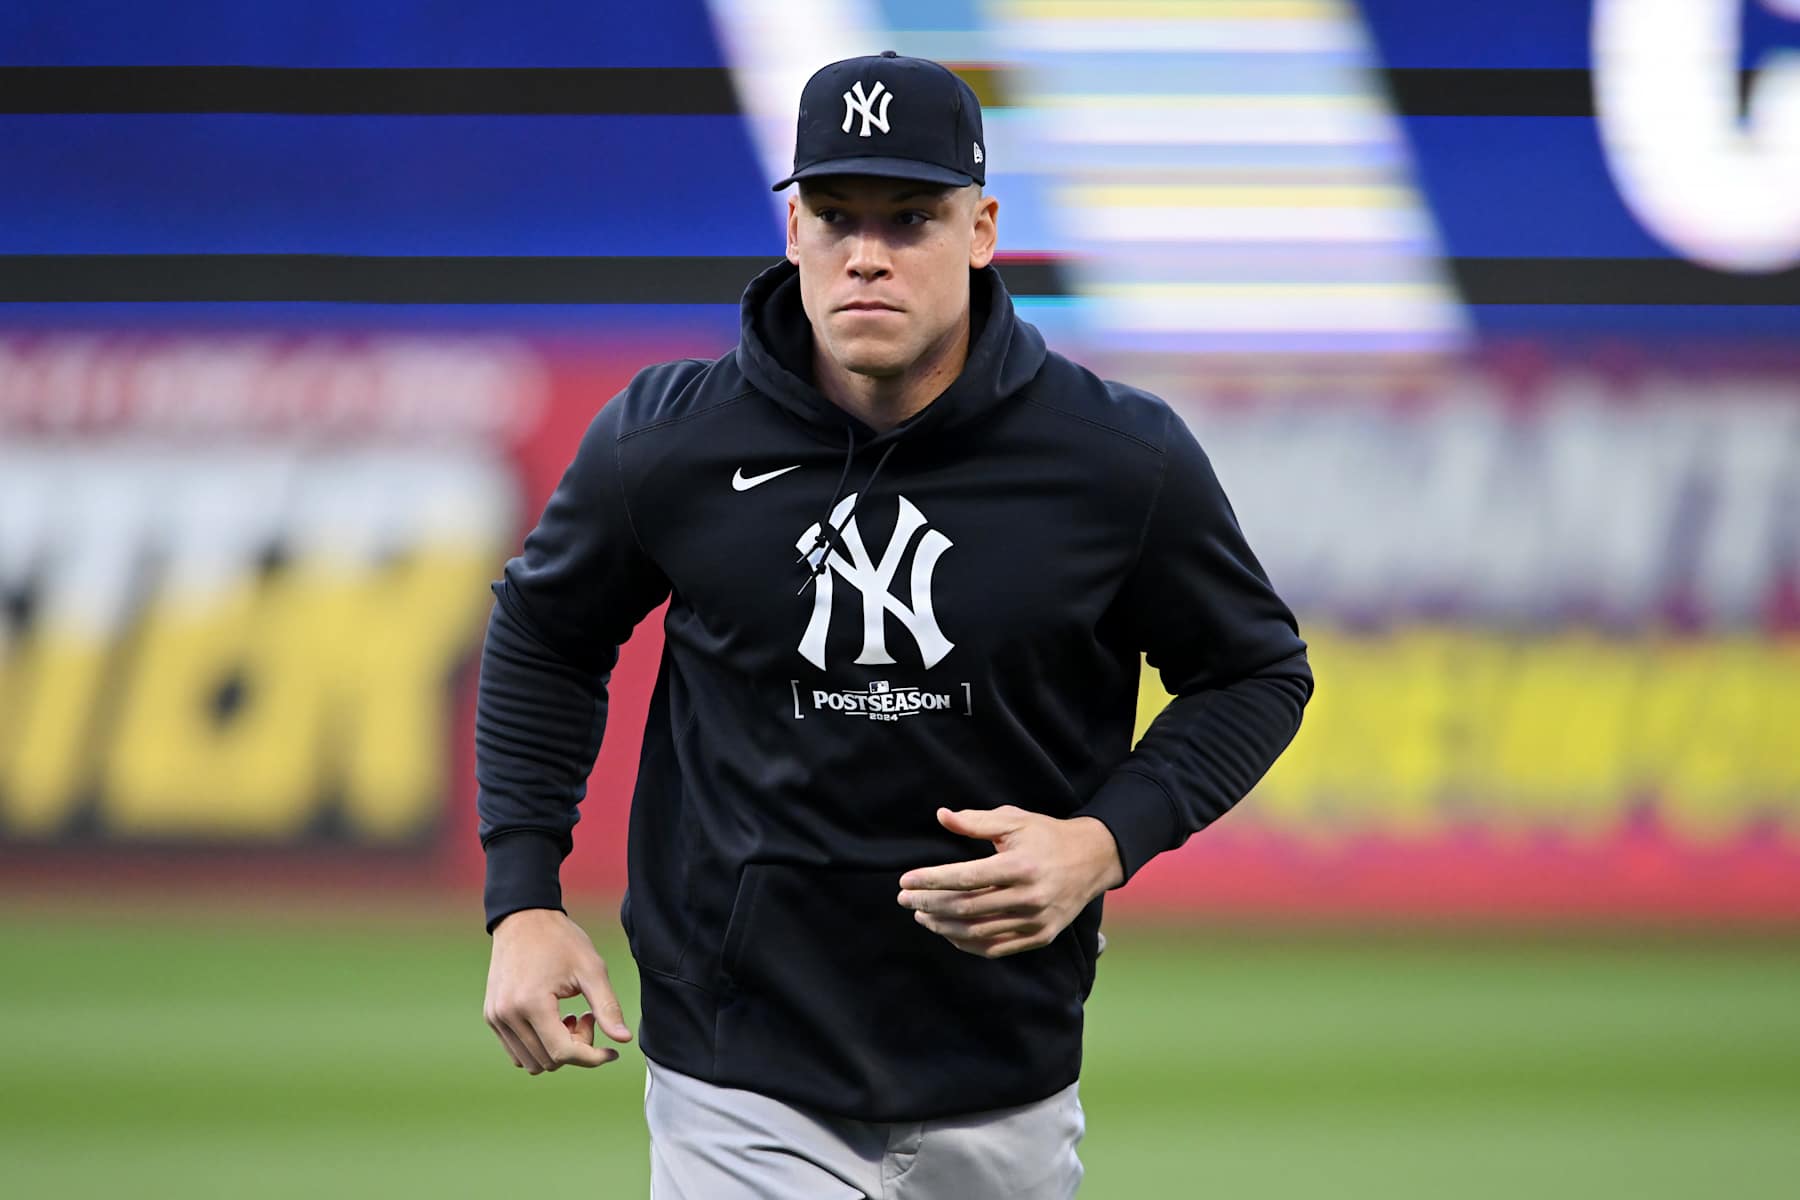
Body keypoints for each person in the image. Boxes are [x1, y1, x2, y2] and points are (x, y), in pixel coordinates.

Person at [476, 50, 1312, 1199]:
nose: (865, 254)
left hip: (1005, 1071)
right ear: (791, 230)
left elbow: (1255, 672)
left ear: (982, 229)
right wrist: (523, 897)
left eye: (910, 218)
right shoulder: (668, 440)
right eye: (834, 215)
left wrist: (1102, 842)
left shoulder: (1116, 460)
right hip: (741, 1077)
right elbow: (545, 633)